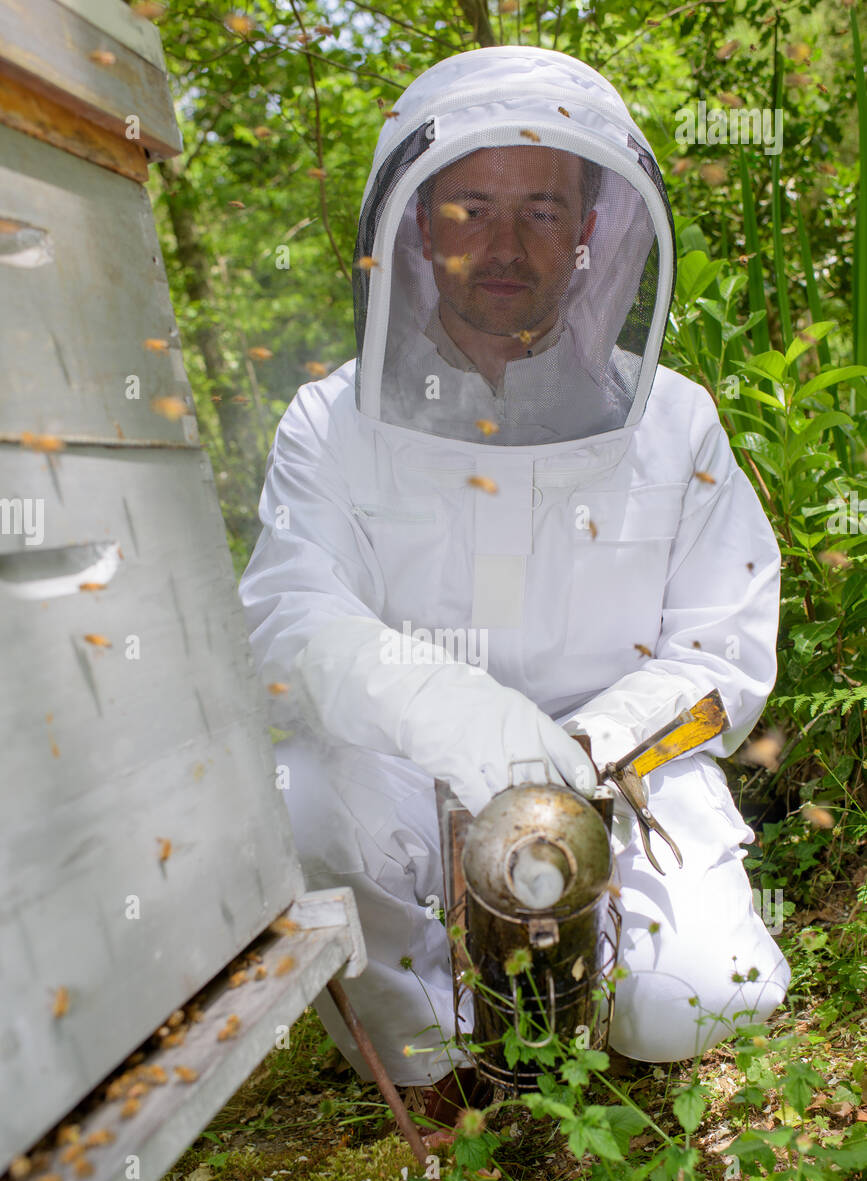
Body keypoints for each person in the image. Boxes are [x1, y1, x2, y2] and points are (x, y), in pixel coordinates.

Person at [239, 45, 790, 1123]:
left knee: (703, 1002)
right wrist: (456, 714)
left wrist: (584, 752)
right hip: (404, 777)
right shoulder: (331, 422)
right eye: (471, 208)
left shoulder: (673, 420)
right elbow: (291, 618)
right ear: (418, 223)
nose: (504, 245)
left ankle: (598, 990)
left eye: (542, 211)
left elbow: (724, 653)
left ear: (592, 229)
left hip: (622, 779)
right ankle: (434, 1058)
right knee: (302, 789)